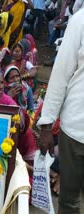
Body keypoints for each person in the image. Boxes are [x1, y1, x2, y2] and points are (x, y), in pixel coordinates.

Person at [37, 10, 84, 213]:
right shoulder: (80, 20)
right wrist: (47, 124)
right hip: (76, 130)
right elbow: (61, 73)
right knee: (69, 200)